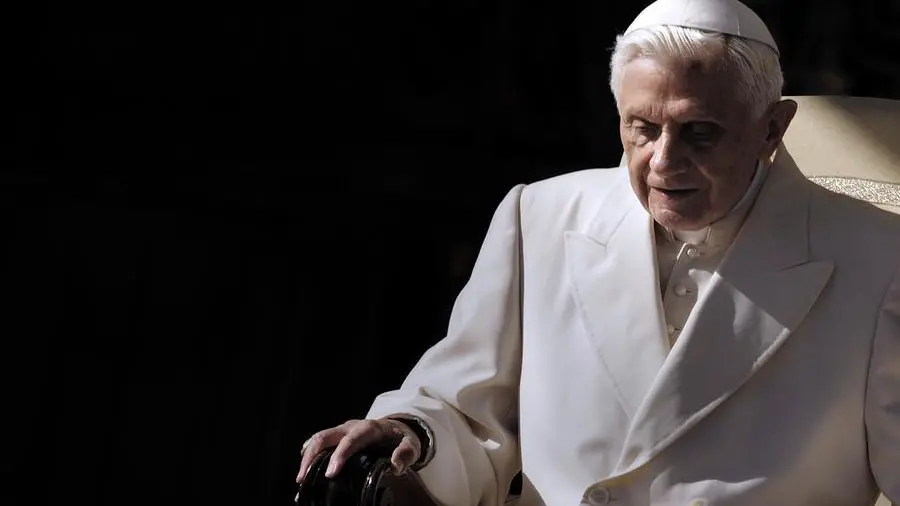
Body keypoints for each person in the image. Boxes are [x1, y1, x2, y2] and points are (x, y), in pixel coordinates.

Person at [297, 0, 900, 504]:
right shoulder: (539, 217)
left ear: (773, 128)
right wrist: (411, 432)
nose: (664, 162)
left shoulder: (878, 257)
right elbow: (467, 411)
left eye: (699, 132)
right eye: (643, 128)